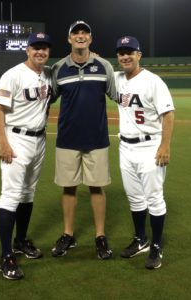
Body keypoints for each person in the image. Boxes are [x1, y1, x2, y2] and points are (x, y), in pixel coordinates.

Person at [50, 20, 117, 259]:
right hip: (67, 138)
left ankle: (100, 236)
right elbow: (47, 99)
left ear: (90, 39)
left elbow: (118, 95)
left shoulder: (104, 66)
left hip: (97, 139)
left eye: (84, 33)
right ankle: (68, 234)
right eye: (75, 33)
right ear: (69, 39)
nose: (80, 36)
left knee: (96, 187)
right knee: (69, 188)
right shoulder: (58, 68)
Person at [0, 32, 53, 280]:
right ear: (27, 50)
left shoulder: (48, 74)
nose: (40, 52)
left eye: (44, 48)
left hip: (39, 139)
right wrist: (2, 142)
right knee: (11, 195)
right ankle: (6, 256)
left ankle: (20, 241)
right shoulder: (13, 74)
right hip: (16, 139)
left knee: (28, 193)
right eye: (36, 47)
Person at [114, 36, 175, 269]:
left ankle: (156, 246)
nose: (125, 56)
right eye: (121, 53)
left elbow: (168, 114)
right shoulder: (118, 79)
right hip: (125, 147)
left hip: (150, 146)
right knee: (135, 198)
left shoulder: (153, 81)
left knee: (154, 199)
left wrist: (165, 146)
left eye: (130, 52)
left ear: (139, 55)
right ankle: (140, 240)